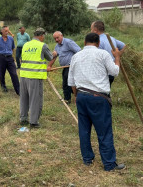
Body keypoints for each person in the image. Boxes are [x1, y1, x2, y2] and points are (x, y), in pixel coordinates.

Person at [68, 33, 125, 171]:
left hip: (81, 96)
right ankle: (109, 164)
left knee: (84, 129)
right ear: (98, 43)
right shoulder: (103, 54)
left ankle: (87, 159)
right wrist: (117, 57)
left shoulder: (76, 56)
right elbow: (114, 72)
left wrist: (77, 96)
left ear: (84, 41)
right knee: (104, 131)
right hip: (99, 98)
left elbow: (71, 82)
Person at [19, 28, 53, 128]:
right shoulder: (42, 45)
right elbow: (50, 57)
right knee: (35, 99)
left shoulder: (26, 45)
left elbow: (23, 59)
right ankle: (33, 122)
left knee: (24, 98)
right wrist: (55, 53)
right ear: (42, 35)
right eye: (44, 36)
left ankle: (23, 118)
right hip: (35, 76)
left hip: (24, 76)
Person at [47, 31, 81, 104]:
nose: (56, 40)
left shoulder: (68, 42)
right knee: (66, 83)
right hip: (65, 67)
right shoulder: (57, 46)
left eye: (57, 38)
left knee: (67, 82)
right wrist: (49, 66)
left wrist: (76, 62)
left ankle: (70, 98)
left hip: (71, 66)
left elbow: (79, 51)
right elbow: (54, 57)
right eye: (55, 38)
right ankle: (69, 98)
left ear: (61, 36)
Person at [91, 21, 126, 86]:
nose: (91, 31)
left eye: (91, 29)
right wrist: (118, 55)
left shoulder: (98, 41)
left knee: (102, 93)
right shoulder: (111, 38)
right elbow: (123, 45)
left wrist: (117, 56)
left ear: (95, 30)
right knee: (106, 91)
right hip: (111, 71)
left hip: (103, 73)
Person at [0, 26, 20, 95]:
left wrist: (9, 54)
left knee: (14, 74)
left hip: (9, 58)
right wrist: (0, 56)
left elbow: (13, 48)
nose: (7, 32)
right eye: (5, 31)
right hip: (1, 58)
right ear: (2, 31)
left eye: (8, 31)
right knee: (1, 74)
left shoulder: (11, 39)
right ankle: (3, 88)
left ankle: (18, 90)